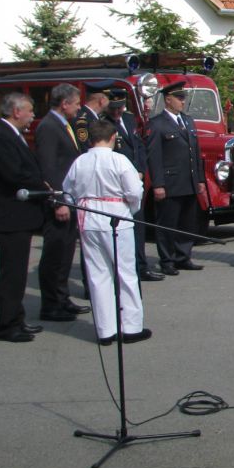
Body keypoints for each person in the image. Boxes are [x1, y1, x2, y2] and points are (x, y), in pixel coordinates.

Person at [63, 119, 151, 345]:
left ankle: (105, 330)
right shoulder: (118, 160)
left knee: (98, 275)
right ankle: (131, 327)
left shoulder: (80, 161)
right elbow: (134, 191)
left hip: (89, 219)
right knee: (125, 273)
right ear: (112, 137)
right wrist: (131, 208)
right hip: (116, 218)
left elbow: (67, 191)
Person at [0, 93, 46, 342]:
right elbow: (13, 173)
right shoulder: (0, 136)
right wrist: (41, 185)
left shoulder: (13, 134)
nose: (32, 116)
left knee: (18, 272)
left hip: (20, 216)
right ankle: (7, 325)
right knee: (11, 273)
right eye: (30, 111)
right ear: (16, 111)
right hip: (10, 215)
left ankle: (17, 319)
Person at [34, 83, 90, 321]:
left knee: (66, 253)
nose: (78, 108)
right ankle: (51, 304)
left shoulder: (64, 125)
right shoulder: (48, 127)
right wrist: (58, 201)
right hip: (59, 201)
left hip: (70, 198)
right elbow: (48, 167)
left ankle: (62, 298)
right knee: (54, 254)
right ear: (64, 103)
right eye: (76, 104)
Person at [146, 81, 206, 276]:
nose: (182, 101)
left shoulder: (188, 121)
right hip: (170, 183)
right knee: (167, 224)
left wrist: (200, 179)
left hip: (189, 181)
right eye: (179, 98)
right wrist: (158, 184)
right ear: (168, 99)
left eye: (183, 98)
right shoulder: (157, 124)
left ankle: (183, 256)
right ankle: (167, 260)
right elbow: (154, 157)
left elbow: (195, 152)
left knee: (187, 222)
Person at [104, 87, 160, 282]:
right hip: (118, 183)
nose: (116, 112)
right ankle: (125, 269)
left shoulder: (129, 120)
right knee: (122, 230)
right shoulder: (104, 124)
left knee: (138, 226)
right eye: (113, 108)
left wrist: (142, 170)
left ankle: (141, 266)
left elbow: (139, 147)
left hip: (136, 179)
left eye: (119, 107)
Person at [72, 81, 111, 153]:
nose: (109, 102)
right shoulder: (82, 120)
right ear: (102, 100)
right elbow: (84, 147)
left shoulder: (93, 117)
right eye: (108, 98)